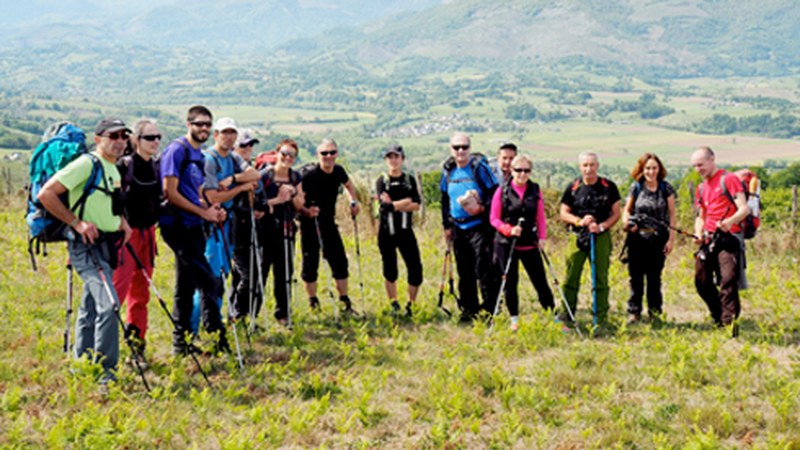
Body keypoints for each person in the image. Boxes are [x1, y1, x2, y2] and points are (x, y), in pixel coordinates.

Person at [37, 118, 133, 387]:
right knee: (110, 305)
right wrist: (77, 223)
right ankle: (106, 373)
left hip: (108, 245)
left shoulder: (112, 168)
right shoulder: (86, 164)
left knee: (91, 305)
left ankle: (81, 364)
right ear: (98, 138)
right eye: (113, 135)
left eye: (124, 136)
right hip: (85, 247)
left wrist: (122, 222)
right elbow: (47, 194)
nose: (119, 141)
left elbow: (110, 202)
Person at [159, 105, 230, 355]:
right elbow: (170, 192)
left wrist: (211, 209)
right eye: (199, 124)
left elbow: (194, 193)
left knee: (185, 286)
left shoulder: (198, 156)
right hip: (176, 226)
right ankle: (217, 333)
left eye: (207, 125)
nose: (204, 129)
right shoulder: (177, 151)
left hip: (193, 226)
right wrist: (203, 213)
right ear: (188, 125)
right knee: (210, 282)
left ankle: (181, 343)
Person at [190, 118, 259, 333]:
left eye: (232, 133)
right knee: (210, 275)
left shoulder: (233, 157)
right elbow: (212, 196)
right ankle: (193, 327)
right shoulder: (209, 159)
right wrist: (240, 187)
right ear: (215, 135)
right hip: (211, 222)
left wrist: (232, 179)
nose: (229, 137)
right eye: (224, 132)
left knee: (222, 273)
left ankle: (213, 322)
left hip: (227, 222)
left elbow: (255, 176)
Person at [113, 119, 162, 365]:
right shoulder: (124, 166)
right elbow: (114, 201)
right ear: (136, 140)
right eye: (149, 138)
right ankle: (105, 350)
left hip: (147, 235)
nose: (155, 142)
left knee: (141, 295)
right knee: (117, 293)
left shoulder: (156, 166)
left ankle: (136, 347)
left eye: (157, 137)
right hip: (126, 238)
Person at [490, 154, 554, 331]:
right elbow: (494, 219)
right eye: (518, 170)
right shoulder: (502, 190)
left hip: (529, 243)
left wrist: (542, 237)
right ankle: (514, 318)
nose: (522, 174)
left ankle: (552, 315)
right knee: (510, 282)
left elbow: (540, 216)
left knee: (540, 281)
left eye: (526, 170)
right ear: (511, 170)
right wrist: (508, 230)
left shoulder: (535, 189)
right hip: (506, 244)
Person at [440, 132, 499, 321]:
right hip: (458, 228)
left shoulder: (479, 168)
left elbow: (495, 195)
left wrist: (482, 208)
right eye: (456, 147)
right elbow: (444, 199)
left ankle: (489, 310)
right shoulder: (448, 171)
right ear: (451, 149)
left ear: (470, 148)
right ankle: (469, 309)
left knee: (484, 269)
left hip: (479, 226)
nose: (460, 151)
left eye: (464, 147)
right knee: (464, 271)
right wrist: (446, 226)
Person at [559, 152, 621, 328]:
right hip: (577, 236)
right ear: (580, 167)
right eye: (585, 165)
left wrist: (601, 226)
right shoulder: (573, 187)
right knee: (571, 277)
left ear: (598, 166)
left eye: (592, 165)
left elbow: (616, 213)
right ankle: (567, 315)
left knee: (600, 278)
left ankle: (600, 318)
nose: (588, 169)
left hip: (600, 236)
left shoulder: (609, 186)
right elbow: (563, 213)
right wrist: (579, 222)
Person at [298, 138, 360, 313]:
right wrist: (305, 210)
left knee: (340, 261)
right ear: (318, 155)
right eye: (324, 153)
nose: (328, 156)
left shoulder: (339, 171)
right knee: (311, 264)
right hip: (310, 223)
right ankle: (313, 301)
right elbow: (296, 195)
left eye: (332, 152)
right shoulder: (309, 174)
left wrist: (353, 201)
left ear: (337, 154)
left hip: (329, 222)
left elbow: (348, 185)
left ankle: (344, 300)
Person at [691, 146, 749, 333]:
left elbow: (744, 209)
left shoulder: (729, 179)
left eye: (701, 164)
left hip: (729, 237)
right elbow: (701, 216)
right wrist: (698, 233)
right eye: (695, 166)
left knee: (728, 279)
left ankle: (728, 323)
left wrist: (728, 221)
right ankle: (718, 314)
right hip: (709, 239)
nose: (698, 169)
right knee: (701, 280)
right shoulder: (701, 188)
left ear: (712, 159)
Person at [621, 153, 676, 324]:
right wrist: (627, 223)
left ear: (659, 170)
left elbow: (672, 216)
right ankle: (634, 312)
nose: (651, 172)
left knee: (654, 277)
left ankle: (655, 312)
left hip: (658, 238)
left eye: (654, 168)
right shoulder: (636, 187)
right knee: (635, 277)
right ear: (642, 170)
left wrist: (671, 240)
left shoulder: (666, 188)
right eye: (647, 168)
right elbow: (627, 210)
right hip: (637, 238)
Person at [258, 139, 305, 324]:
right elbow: (257, 204)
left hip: (286, 230)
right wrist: (278, 199)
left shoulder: (295, 177)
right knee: (261, 271)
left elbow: (300, 205)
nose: (287, 158)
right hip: (265, 230)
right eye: (284, 153)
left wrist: (293, 193)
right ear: (277, 153)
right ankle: (252, 312)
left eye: (291, 155)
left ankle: (283, 313)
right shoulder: (265, 176)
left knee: (284, 272)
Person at [375, 144, 423, 317]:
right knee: (390, 269)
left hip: (405, 231)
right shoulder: (382, 180)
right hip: (386, 232)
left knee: (415, 268)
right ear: (386, 160)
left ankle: (411, 304)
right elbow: (384, 207)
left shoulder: (409, 180)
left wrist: (394, 204)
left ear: (402, 159)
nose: (393, 160)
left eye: (396, 157)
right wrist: (405, 202)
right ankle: (393, 302)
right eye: (389, 157)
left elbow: (417, 205)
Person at [228, 129, 264, 322]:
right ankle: (239, 313)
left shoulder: (248, 167)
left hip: (250, 227)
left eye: (251, 145)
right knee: (248, 275)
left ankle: (236, 315)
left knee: (240, 274)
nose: (248, 148)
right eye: (244, 145)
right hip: (236, 228)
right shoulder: (231, 166)